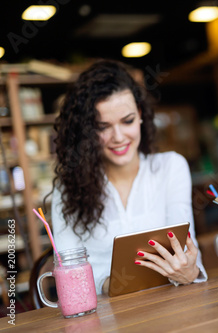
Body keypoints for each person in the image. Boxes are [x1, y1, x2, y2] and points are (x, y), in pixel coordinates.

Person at [49, 60, 207, 294]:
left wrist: (190, 271)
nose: (119, 137)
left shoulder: (170, 167)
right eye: (103, 127)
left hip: (173, 307)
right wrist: (112, 286)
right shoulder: (67, 189)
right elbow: (71, 281)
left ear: (141, 115)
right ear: (87, 131)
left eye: (128, 121)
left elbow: (187, 253)